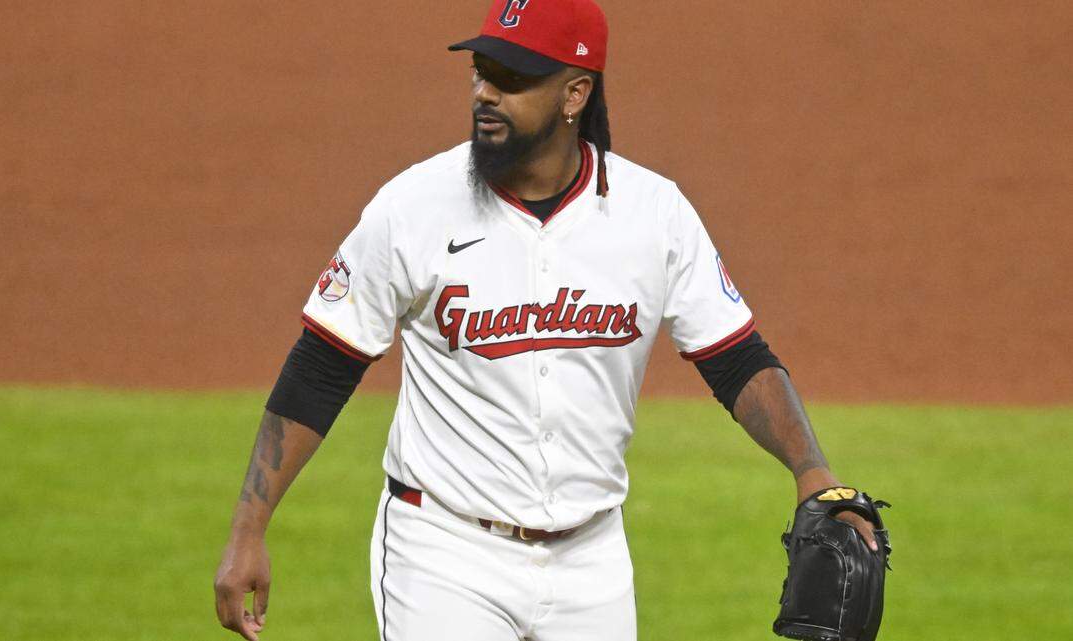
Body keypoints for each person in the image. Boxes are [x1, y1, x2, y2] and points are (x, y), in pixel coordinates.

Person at [213, 1, 879, 639]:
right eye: (482, 72)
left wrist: (811, 469)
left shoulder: (655, 215)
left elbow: (736, 357)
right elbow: (323, 365)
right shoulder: (412, 209)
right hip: (444, 550)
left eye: (513, 79)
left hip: (592, 559)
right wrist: (249, 526)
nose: (487, 93)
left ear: (574, 94)